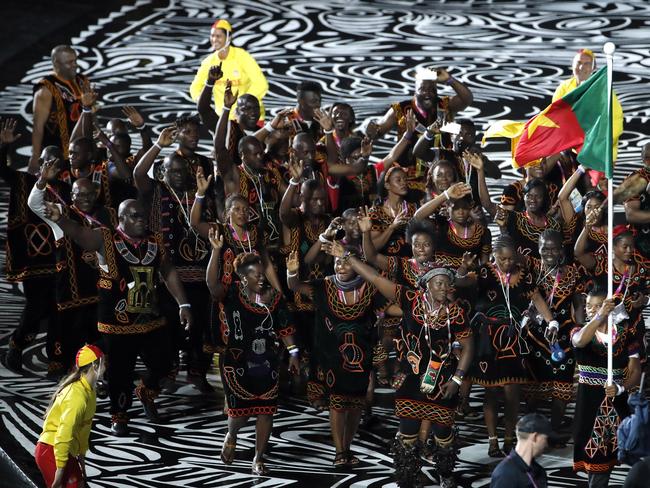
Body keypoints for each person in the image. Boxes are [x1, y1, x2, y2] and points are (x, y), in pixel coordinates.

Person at [41, 198, 192, 436]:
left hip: (150, 318)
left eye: (142, 215)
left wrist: (183, 303)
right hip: (117, 322)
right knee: (120, 372)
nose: (141, 219)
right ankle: (119, 414)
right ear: (121, 219)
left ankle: (146, 391)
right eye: (134, 216)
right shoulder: (106, 239)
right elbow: (80, 233)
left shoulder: (154, 242)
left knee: (164, 362)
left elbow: (168, 271)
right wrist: (60, 218)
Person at [327, 243, 473, 488]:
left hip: (443, 382)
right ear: (426, 284)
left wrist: (457, 380)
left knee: (443, 434)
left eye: (448, 284)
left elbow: (469, 347)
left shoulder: (456, 313)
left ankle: (445, 472)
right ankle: (407, 479)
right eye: (439, 283)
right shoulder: (409, 299)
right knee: (408, 434)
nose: (445, 287)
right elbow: (373, 276)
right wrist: (347, 257)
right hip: (411, 380)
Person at [456, 235, 557, 457]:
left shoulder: (524, 275)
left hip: (513, 338)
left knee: (513, 393)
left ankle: (509, 439)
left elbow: (537, 299)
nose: (506, 263)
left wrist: (552, 321)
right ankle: (493, 441)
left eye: (510, 258)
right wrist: (463, 268)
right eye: (501, 259)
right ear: (494, 256)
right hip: (487, 340)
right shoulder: (484, 272)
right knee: (491, 392)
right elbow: (460, 282)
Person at [206, 239, 299, 476]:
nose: (261, 278)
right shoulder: (232, 293)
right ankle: (232, 434)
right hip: (236, 363)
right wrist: (216, 251)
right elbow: (211, 285)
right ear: (244, 278)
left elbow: (285, 329)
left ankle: (258, 458)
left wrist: (294, 353)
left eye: (263, 274)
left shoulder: (274, 299)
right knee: (241, 414)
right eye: (256, 275)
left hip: (266, 363)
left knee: (266, 411)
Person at [287, 246, 385, 467]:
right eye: (336, 262)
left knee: (357, 405)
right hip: (332, 356)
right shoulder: (324, 286)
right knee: (338, 403)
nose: (340, 266)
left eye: (346, 262)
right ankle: (340, 452)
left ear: (358, 263)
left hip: (361, 357)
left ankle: (347, 448)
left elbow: (390, 306)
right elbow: (295, 286)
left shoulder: (369, 288)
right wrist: (292, 272)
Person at [0, 119, 68, 375]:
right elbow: (1, 170)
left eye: (56, 164)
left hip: (60, 259)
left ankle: (56, 359)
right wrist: (4, 147)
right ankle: (16, 344)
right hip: (33, 259)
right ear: (40, 163)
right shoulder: (23, 182)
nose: (51, 167)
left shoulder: (65, 190)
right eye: (47, 162)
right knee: (36, 307)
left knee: (57, 309)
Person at [571, 285, 641, 487]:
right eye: (588, 306)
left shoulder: (626, 334)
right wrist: (599, 316)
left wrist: (620, 388)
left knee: (618, 458)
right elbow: (580, 342)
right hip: (589, 407)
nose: (591, 310)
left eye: (598, 305)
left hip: (617, 404)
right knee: (596, 463)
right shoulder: (579, 330)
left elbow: (635, 371)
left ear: (611, 306)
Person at [35, 344, 105, 488]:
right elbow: (64, 433)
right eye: (104, 362)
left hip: (63, 451)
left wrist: (82, 460)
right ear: (94, 365)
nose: (106, 367)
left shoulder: (89, 392)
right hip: (52, 450)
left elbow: (84, 429)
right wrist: (59, 473)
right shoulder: (77, 396)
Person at [189, 19, 268, 121]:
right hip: (223, 119)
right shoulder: (209, 62)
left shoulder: (242, 56)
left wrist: (242, 106)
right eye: (212, 36)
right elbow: (195, 87)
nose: (214, 39)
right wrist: (201, 101)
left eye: (218, 36)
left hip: (250, 117)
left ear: (228, 37)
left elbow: (261, 84)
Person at [31, 45, 90, 171]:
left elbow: (91, 113)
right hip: (58, 153)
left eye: (75, 60)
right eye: (69, 62)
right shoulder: (45, 89)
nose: (75, 65)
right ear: (56, 64)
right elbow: (38, 126)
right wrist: (35, 156)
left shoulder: (82, 80)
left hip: (83, 149)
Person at [489, 413, 551, 488]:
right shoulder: (505, 474)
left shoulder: (539, 471)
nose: (546, 444)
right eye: (545, 438)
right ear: (535, 437)